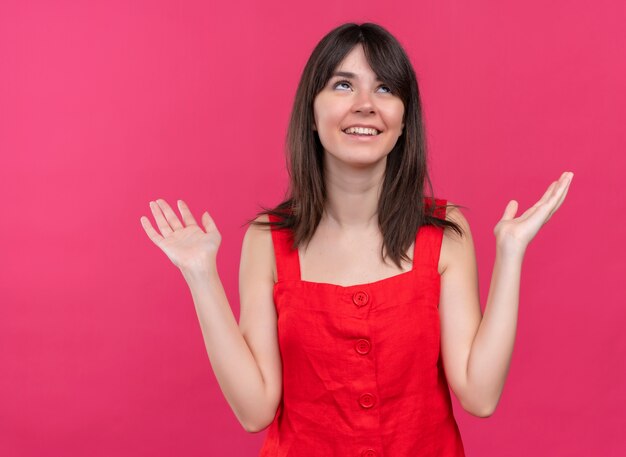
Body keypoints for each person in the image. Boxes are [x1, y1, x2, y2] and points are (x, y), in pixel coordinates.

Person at [140, 22, 573, 456]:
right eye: (343, 85)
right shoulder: (268, 239)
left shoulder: (444, 232)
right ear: (312, 113)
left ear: (404, 121)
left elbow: (480, 396)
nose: (365, 105)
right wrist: (200, 276)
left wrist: (511, 252)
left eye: (385, 89)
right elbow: (254, 411)